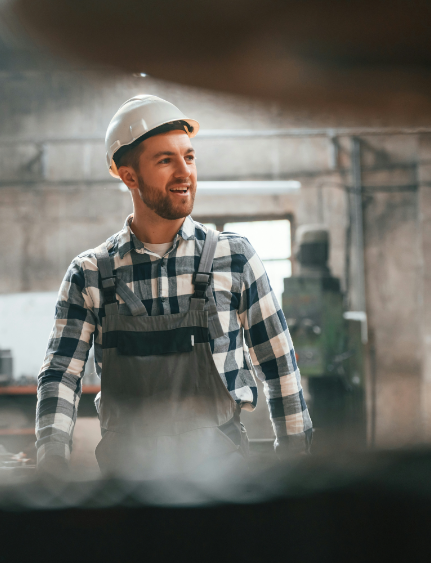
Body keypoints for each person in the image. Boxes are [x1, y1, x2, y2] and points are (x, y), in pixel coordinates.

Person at [35, 95, 312, 477]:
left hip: (221, 484)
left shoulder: (234, 258)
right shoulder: (90, 274)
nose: (185, 172)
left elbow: (278, 364)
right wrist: (51, 462)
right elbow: (61, 374)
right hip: (127, 489)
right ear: (128, 175)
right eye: (166, 160)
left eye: (189, 157)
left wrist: (295, 461)